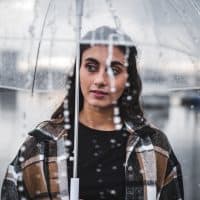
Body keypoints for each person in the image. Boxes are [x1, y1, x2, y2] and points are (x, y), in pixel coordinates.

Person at [1, 26, 184, 200]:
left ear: (128, 79)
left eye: (114, 70)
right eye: (91, 66)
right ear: (78, 71)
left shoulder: (155, 146)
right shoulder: (40, 144)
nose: (100, 80)